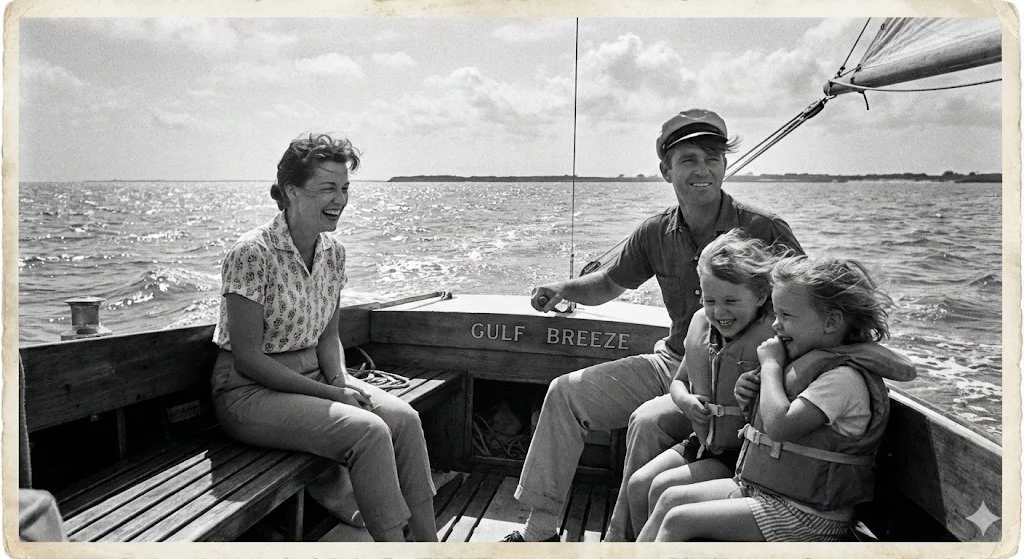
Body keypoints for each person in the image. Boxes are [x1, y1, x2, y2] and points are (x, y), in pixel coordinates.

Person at [502, 109, 803, 542]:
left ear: (725, 165)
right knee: (565, 393)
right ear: (666, 170)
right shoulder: (656, 232)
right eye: (689, 160)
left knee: (647, 422)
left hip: (739, 376)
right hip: (674, 361)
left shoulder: (763, 229)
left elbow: (808, 299)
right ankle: (540, 530)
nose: (703, 170)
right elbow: (608, 282)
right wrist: (562, 288)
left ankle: (620, 543)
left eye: (713, 158)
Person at [210, 133, 437, 542]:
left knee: (404, 419)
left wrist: (339, 380)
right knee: (368, 431)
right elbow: (247, 359)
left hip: (314, 378)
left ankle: (428, 543)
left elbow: (329, 337)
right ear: (291, 192)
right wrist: (335, 397)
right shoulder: (251, 252)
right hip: (247, 392)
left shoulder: (333, 253)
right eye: (328, 188)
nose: (340, 199)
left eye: (345, 187)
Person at [638, 255, 916, 542]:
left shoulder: (842, 380)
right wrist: (750, 400)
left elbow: (780, 426)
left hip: (806, 517)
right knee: (670, 499)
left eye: (786, 316)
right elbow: (770, 433)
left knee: (679, 520)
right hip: (765, 493)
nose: (775, 325)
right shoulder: (807, 364)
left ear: (831, 321)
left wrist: (770, 367)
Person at [620, 229, 781, 539]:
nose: (719, 311)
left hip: (739, 457)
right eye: (710, 300)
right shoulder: (701, 325)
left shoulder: (773, 339)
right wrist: (684, 402)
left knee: (663, 491)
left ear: (761, 296)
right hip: (703, 442)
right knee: (639, 485)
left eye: (731, 300)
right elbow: (679, 382)